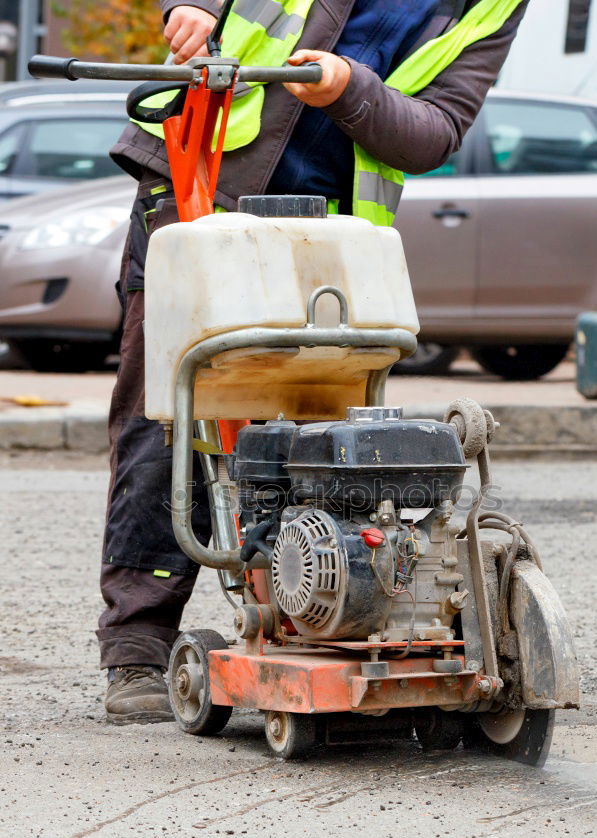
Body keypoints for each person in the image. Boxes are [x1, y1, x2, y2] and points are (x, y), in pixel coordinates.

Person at [101, 0, 530, 724]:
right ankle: (138, 645)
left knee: (317, 434)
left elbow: (435, 132)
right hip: (200, 183)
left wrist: (348, 89)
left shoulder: (492, 8)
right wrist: (194, 9)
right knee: (172, 411)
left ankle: (310, 612)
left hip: (330, 233)